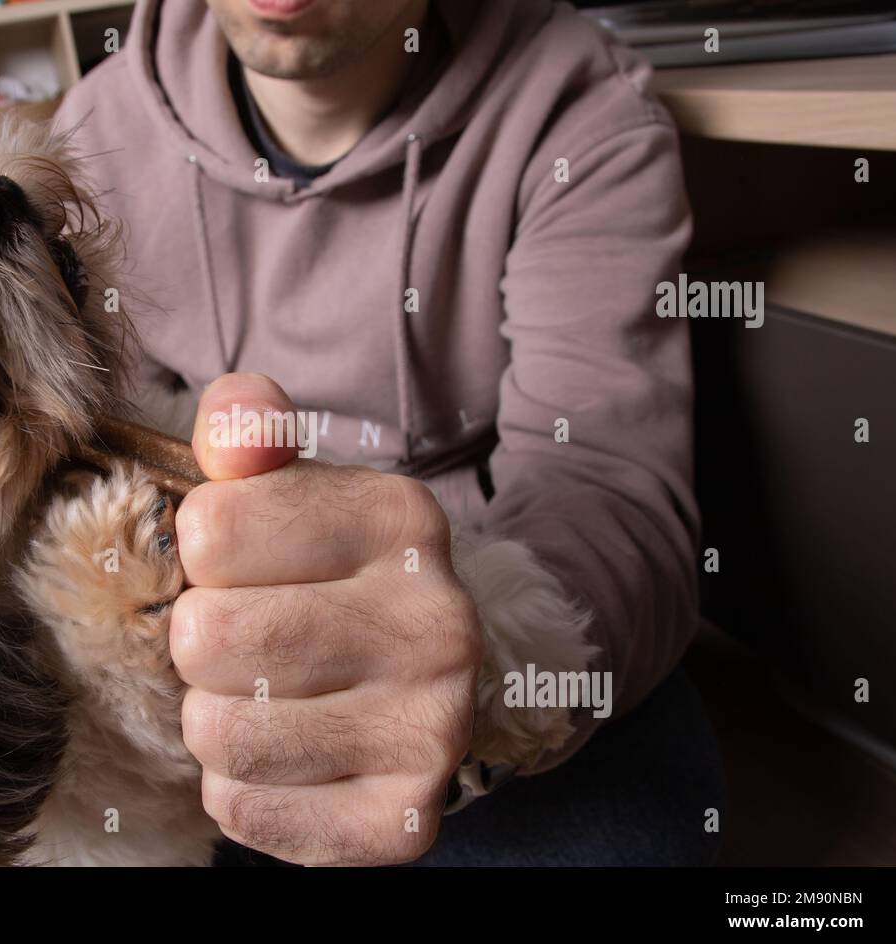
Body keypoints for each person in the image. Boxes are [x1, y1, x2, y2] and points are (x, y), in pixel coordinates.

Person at [52, 0, 725, 865]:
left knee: (636, 832)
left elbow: (609, 488)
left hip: (490, 596)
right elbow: (89, 463)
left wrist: (475, 657)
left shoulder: (577, 104)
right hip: (201, 672)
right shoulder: (94, 131)